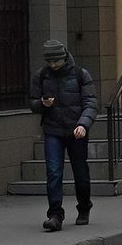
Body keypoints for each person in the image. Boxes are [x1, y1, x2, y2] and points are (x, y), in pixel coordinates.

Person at [30, 40, 97, 232]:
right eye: (50, 62)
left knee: (80, 173)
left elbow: (91, 103)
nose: (53, 65)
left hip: (76, 131)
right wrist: (43, 104)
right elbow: (32, 102)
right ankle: (55, 215)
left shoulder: (80, 75)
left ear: (64, 57)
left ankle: (84, 207)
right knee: (53, 172)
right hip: (53, 130)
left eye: (56, 62)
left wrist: (83, 124)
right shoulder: (42, 76)